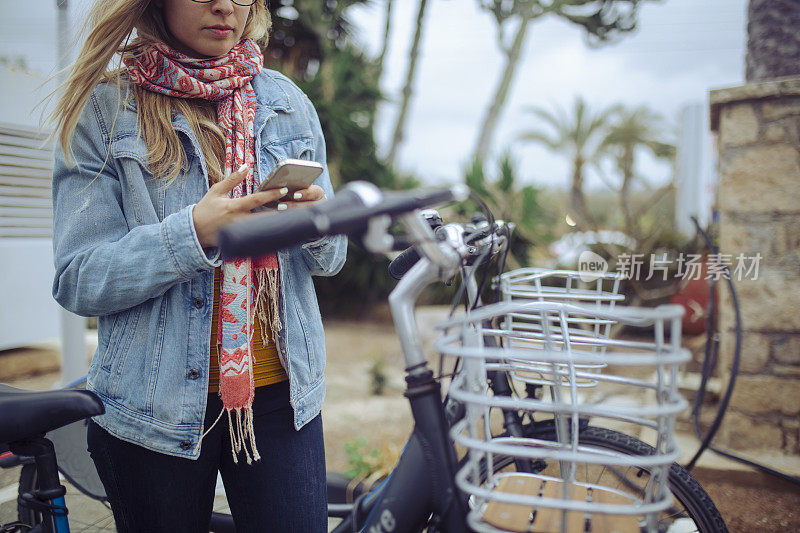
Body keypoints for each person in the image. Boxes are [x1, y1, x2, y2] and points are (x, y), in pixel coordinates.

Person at [49, 0, 346, 531]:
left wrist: (316, 223)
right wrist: (192, 234)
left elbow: (332, 260)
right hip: (150, 409)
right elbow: (79, 277)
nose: (224, 5)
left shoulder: (286, 102)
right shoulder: (105, 109)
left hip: (279, 401)